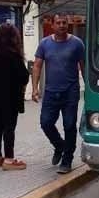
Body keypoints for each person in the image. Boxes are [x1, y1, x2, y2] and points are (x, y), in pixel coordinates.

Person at [32, 14, 85, 175]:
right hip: (50, 92)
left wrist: (89, 88)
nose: (62, 25)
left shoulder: (77, 44)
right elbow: (37, 66)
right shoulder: (44, 44)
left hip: (70, 92)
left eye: (64, 23)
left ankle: (67, 160)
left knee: (69, 126)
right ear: (52, 25)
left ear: (67, 25)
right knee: (46, 123)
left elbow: (83, 66)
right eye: (58, 23)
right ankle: (60, 146)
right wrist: (34, 88)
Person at [0, 24, 30, 170]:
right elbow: (23, 76)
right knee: (9, 127)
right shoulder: (13, 55)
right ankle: (9, 159)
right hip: (10, 97)